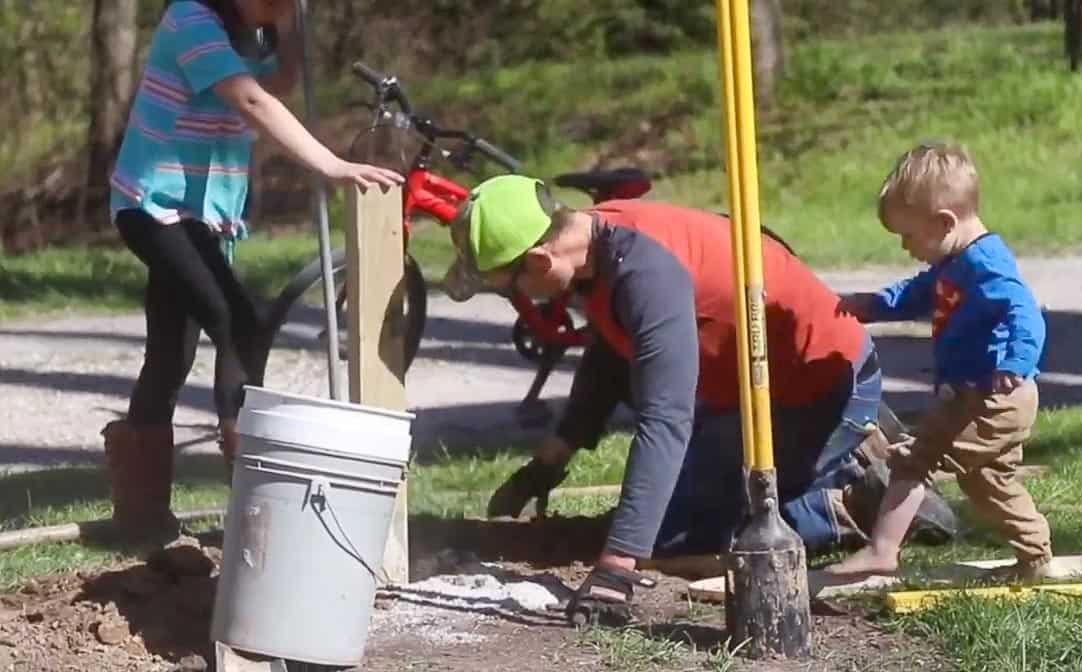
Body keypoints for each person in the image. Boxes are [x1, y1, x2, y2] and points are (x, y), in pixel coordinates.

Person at [442, 174, 956, 624]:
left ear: (539, 257)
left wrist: (617, 567)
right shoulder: (592, 242)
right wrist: (552, 459)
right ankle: (831, 467)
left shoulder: (645, 273)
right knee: (661, 517)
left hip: (822, 389)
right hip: (751, 390)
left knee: (670, 539)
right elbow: (610, 356)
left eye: (510, 285)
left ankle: (843, 497)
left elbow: (667, 419)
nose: (519, 299)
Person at [102, 0, 404, 543]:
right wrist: (332, 164)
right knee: (238, 321)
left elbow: (279, 80)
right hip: (153, 205)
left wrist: (286, 28)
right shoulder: (190, 21)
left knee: (173, 350)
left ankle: (140, 517)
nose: (280, 5)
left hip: (203, 214)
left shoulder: (250, 33)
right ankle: (251, 500)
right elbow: (250, 98)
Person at [826, 141, 1052, 583]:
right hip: (975, 392)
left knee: (915, 458)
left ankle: (881, 550)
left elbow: (1025, 312)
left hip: (996, 396)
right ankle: (1036, 554)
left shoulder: (987, 266)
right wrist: (873, 304)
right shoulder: (955, 261)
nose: (906, 246)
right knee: (988, 482)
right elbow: (918, 292)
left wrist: (1015, 360)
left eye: (908, 236)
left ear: (944, 222)